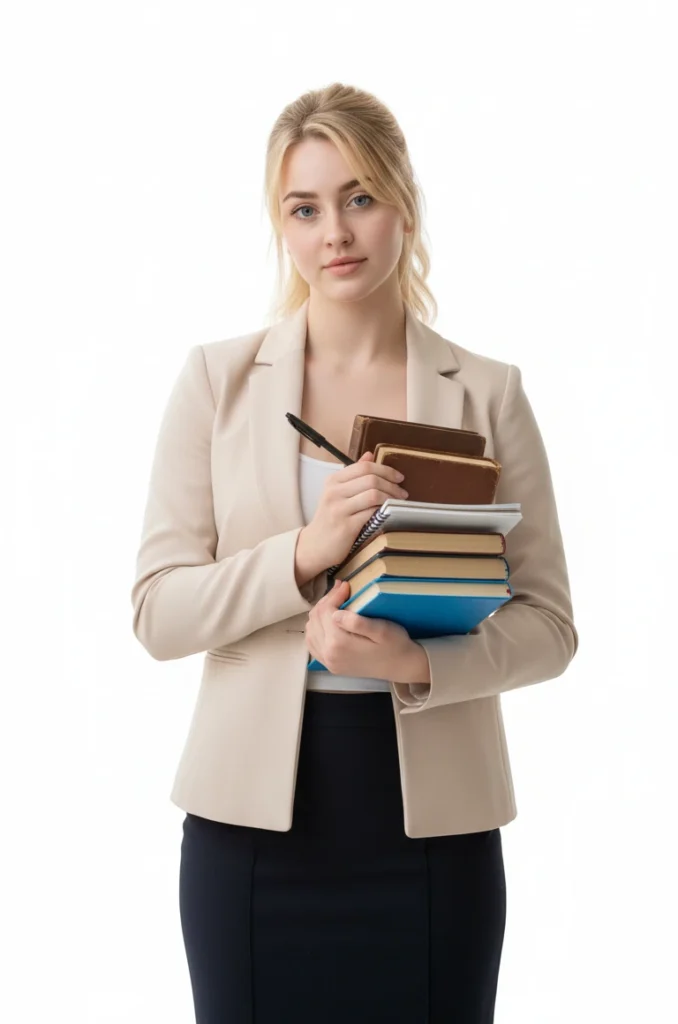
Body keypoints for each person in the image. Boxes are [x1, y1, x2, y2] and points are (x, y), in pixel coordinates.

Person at [131, 82, 578, 1023]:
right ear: (282, 228)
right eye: (305, 208)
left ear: (403, 204)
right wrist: (304, 551)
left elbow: (548, 626)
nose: (336, 230)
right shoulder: (217, 381)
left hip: (432, 833)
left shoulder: (488, 393)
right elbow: (158, 612)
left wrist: (418, 662)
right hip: (250, 831)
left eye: (359, 196)